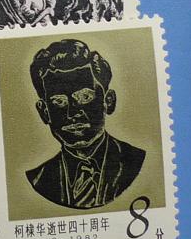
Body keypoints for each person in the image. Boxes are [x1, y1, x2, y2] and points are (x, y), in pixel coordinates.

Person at [24, 38, 145, 210]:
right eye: (59, 102)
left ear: (108, 101)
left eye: (85, 97)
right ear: (44, 112)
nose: (72, 113)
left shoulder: (137, 162)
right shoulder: (39, 179)